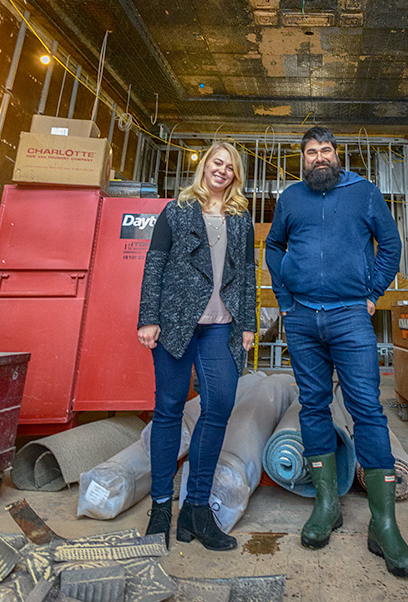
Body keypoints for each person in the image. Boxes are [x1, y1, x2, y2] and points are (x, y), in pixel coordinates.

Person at [266, 126, 408, 578]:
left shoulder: (363, 192)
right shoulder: (291, 198)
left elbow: (389, 246)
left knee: (367, 410)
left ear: (338, 155)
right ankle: (327, 507)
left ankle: (384, 525)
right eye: (311, 152)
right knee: (312, 406)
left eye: (325, 150)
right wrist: (285, 297)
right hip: (301, 319)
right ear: (303, 159)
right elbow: (274, 246)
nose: (318, 157)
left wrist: (371, 293)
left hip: (350, 315)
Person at [137, 142, 257, 549]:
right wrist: (147, 318)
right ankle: (159, 509)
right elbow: (154, 264)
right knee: (169, 410)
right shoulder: (176, 210)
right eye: (216, 163)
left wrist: (248, 323)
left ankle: (196, 509)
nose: (221, 171)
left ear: (236, 175)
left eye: (230, 167)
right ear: (204, 166)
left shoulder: (241, 218)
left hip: (220, 328)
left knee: (219, 405)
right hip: (174, 323)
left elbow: (247, 274)